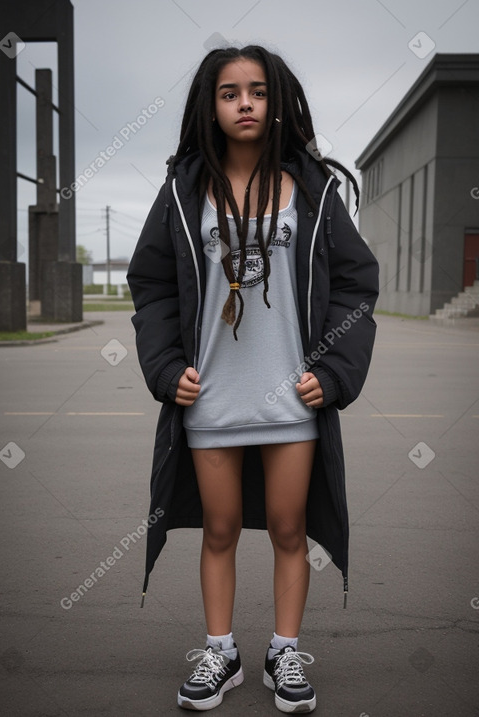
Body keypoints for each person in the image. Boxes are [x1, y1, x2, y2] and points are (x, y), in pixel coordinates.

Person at [127, 44, 379, 713]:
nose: (245, 102)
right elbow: (150, 286)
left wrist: (333, 369)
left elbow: (356, 282)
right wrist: (162, 367)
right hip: (209, 397)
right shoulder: (183, 190)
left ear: (277, 102)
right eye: (230, 92)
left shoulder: (315, 189)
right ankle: (221, 651)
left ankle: (284, 651)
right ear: (210, 105)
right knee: (220, 527)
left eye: (259, 91)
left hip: (291, 395)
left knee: (292, 526)